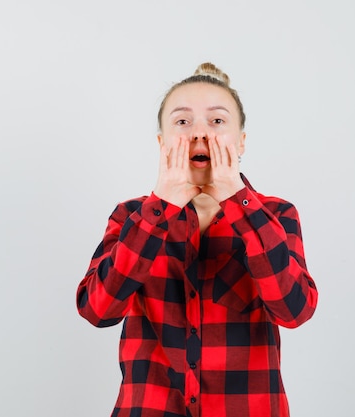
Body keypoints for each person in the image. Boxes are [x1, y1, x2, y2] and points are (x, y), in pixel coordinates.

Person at [76, 62, 318, 417]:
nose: (199, 133)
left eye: (217, 121)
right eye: (182, 121)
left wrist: (239, 200)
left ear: (241, 142)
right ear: (163, 143)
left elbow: (295, 309)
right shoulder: (131, 216)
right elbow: (98, 310)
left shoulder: (277, 215)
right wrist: (159, 208)